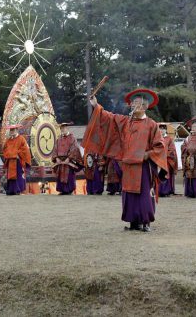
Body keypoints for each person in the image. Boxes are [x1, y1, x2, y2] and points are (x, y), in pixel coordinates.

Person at [84, 88, 167, 232]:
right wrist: (96, 105)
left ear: (144, 106)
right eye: (132, 103)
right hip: (128, 165)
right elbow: (108, 117)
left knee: (144, 194)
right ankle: (133, 222)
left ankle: (145, 222)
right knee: (129, 194)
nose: (133, 105)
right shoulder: (124, 121)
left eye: (136, 103)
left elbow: (159, 146)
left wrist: (146, 155)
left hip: (143, 166)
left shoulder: (151, 124)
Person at [52, 122, 83, 195]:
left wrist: (69, 158)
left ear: (67, 128)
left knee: (68, 176)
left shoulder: (72, 138)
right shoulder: (59, 139)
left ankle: (69, 190)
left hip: (68, 161)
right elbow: (55, 149)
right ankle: (62, 190)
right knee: (60, 175)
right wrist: (56, 158)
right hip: (59, 161)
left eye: (64, 128)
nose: (63, 129)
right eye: (61, 128)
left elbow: (74, 149)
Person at [2, 124, 32, 195]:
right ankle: (11, 190)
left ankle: (19, 190)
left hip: (18, 161)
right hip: (10, 161)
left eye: (13, 130)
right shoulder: (8, 140)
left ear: (16, 130)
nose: (12, 131)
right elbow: (5, 150)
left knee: (18, 176)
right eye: (11, 130)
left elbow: (25, 150)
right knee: (10, 176)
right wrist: (10, 154)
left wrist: (17, 154)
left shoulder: (21, 139)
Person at [157, 123, 178, 197]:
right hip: (157, 160)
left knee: (165, 175)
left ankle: (165, 191)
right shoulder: (156, 138)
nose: (161, 130)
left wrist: (164, 155)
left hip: (166, 161)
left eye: (163, 129)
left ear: (166, 130)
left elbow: (172, 150)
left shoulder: (169, 139)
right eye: (160, 129)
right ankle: (157, 190)